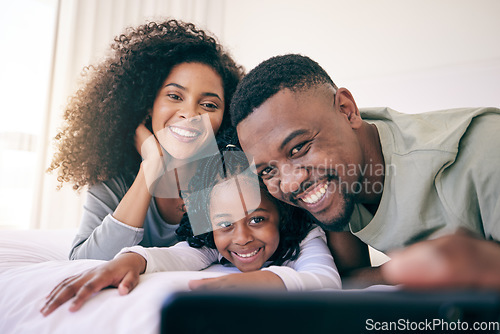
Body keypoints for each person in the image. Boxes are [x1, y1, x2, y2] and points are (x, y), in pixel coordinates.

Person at [229, 53, 500, 290]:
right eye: (267, 170)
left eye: (299, 147)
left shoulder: (486, 149)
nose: (289, 184)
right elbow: (348, 278)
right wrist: (398, 274)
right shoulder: (335, 174)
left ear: (347, 111)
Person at [40, 144, 341, 316]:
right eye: (225, 224)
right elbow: (173, 257)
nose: (241, 238)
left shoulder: (304, 236)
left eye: (257, 219)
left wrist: (257, 282)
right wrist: (131, 260)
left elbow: (325, 280)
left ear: (282, 213)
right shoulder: (213, 242)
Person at [47, 19, 244, 260]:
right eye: (174, 96)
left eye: (209, 105)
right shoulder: (114, 177)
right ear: (148, 104)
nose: (190, 114)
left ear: (225, 116)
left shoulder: (229, 173)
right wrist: (151, 168)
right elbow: (84, 261)